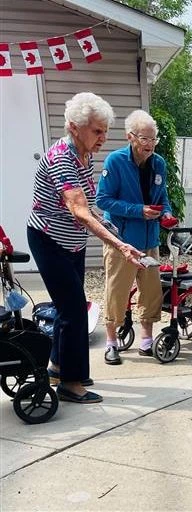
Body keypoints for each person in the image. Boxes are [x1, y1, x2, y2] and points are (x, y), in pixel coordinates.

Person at [27, 92, 144, 404]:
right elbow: (79, 209)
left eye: (105, 131)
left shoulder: (84, 154)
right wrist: (119, 245)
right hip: (49, 239)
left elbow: (88, 207)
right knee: (75, 310)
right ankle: (71, 383)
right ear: (73, 127)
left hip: (72, 241)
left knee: (70, 307)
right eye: (97, 131)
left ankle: (58, 366)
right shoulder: (61, 159)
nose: (103, 138)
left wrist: (108, 227)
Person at [96, 110, 174, 364]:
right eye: (145, 139)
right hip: (122, 241)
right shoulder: (115, 161)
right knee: (116, 292)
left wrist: (167, 215)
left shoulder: (159, 163)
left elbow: (162, 198)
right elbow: (103, 200)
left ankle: (146, 340)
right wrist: (139, 211)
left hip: (150, 241)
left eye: (154, 139)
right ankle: (111, 342)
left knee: (151, 291)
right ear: (130, 137)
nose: (150, 144)